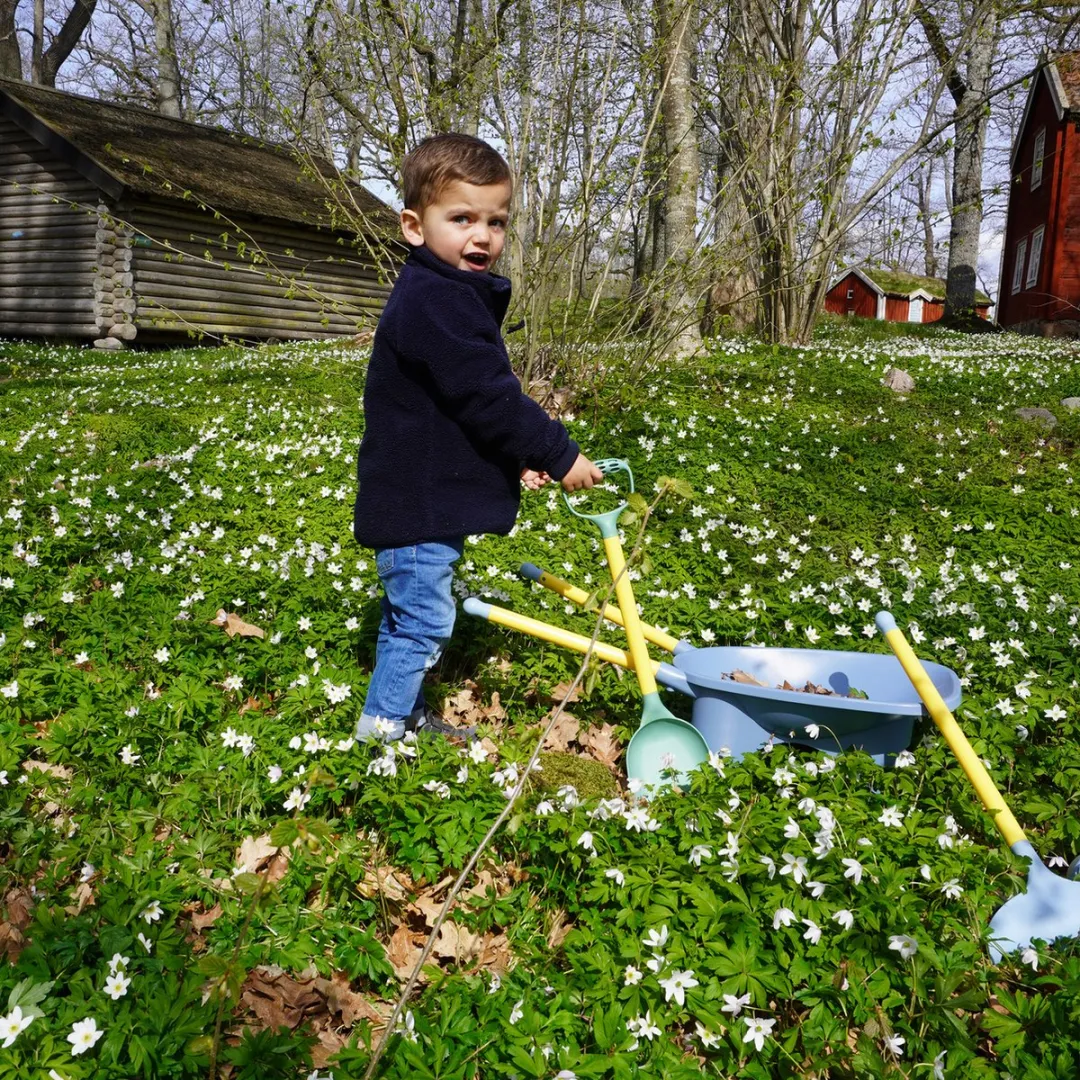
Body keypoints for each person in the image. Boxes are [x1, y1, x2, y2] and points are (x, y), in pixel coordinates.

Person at [353, 133, 603, 742]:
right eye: (461, 217)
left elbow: (454, 409)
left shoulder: (441, 293)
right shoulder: (437, 301)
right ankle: (382, 730)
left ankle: (396, 712)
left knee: (407, 616)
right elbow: (488, 397)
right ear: (414, 226)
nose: (482, 236)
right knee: (424, 623)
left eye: (496, 220)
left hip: (418, 492)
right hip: (417, 504)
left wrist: (511, 459)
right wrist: (555, 450)